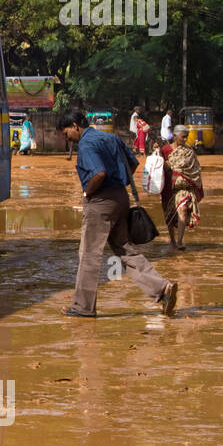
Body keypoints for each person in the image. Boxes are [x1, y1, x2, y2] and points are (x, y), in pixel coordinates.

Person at [56, 109, 178, 317]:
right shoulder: (110, 137)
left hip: (100, 203)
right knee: (124, 249)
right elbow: (133, 163)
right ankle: (161, 288)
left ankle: (83, 307)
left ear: (75, 126)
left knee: (89, 255)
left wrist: (87, 192)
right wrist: (119, 183)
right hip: (120, 198)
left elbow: (99, 173)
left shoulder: (86, 143)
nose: (68, 139)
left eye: (67, 134)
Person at [160, 124, 204, 250]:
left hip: (183, 187)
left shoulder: (189, 151)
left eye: (186, 137)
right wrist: (162, 162)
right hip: (168, 186)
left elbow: (195, 170)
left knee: (183, 209)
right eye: (182, 137)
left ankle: (179, 241)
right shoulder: (165, 150)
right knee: (168, 213)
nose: (184, 140)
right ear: (174, 136)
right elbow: (158, 167)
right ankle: (172, 240)